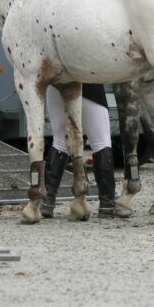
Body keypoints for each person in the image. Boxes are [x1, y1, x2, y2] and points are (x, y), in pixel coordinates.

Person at [41, 84, 130, 218]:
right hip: (88, 87)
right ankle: (107, 205)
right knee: (101, 143)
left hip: (55, 87)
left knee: (60, 142)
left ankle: (47, 203)